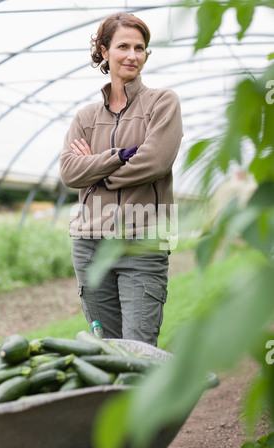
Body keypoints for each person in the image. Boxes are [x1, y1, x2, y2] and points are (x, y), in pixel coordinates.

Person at [60, 12, 183, 347]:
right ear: (104, 51)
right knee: (109, 352)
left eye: (140, 48)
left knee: (139, 352)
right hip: (89, 246)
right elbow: (70, 172)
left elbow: (155, 161)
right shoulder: (85, 117)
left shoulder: (162, 103)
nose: (133, 55)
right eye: (123, 46)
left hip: (141, 242)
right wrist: (119, 156)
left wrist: (96, 172)